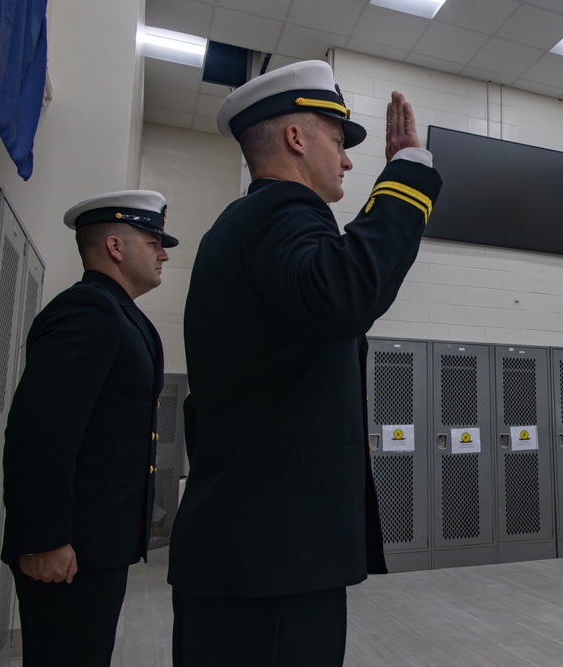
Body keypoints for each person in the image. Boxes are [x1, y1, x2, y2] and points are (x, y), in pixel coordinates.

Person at [167, 60, 442, 666]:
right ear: (296, 138)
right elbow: (345, 294)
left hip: (259, 552)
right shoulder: (280, 212)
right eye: (339, 142)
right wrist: (405, 181)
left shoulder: (247, 225)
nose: (346, 161)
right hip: (271, 558)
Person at [0, 191, 177, 666]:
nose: (163, 253)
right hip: (68, 548)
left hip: (96, 544)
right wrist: (44, 539)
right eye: (153, 240)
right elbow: (40, 432)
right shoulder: (89, 311)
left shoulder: (118, 313)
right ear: (116, 247)